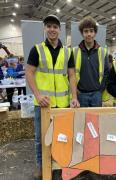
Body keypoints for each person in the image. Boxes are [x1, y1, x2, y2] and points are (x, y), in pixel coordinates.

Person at [26, 14, 79, 179]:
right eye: (48, 26)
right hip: (43, 104)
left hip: (62, 104)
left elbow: (71, 76)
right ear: (45, 28)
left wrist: (74, 97)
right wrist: (38, 95)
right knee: (40, 138)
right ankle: (41, 167)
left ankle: (59, 165)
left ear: (59, 30)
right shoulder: (37, 49)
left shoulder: (67, 51)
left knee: (61, 136)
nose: (52, 29)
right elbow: (29, 73)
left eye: (55, 26)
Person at [73, 16, 109, 107]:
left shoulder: (102, 51)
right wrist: (75, 90)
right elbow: (71, 73)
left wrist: (100, 90)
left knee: (96, 120)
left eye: (91, 31)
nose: (89, 34)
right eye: (86, 31)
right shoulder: (74, 51)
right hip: (81, 94)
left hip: (96, 94)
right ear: (82, 33)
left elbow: (106, 73)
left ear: (95, 33)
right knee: (82, 120)